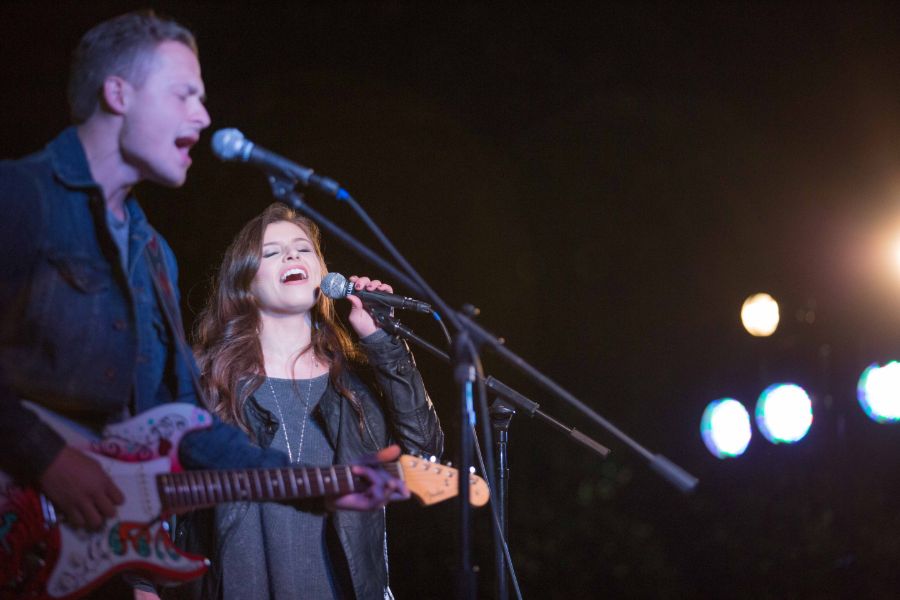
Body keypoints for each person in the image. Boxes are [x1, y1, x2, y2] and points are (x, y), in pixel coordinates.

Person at [0, 11, 409, 598]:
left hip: (87, 557)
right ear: (118, 93)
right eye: (184, 94)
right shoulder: (20, 196)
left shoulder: (152, 257)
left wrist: (317, 484)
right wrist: (47, 458)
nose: (204, 116)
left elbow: (189, 429)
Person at [188, 202, 443, 599]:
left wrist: (383, 342)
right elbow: (158, 491)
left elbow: (425, 453)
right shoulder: (210, 383)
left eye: (303, 248)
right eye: (271, 252)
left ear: (325, 275)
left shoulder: (353, 387)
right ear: (244, 283)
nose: (292, 255)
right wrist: (144, 584)